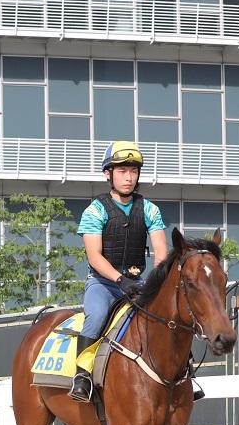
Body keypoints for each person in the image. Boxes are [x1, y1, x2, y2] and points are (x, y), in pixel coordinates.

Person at [70, 140, 168, 402]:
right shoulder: (95, 210)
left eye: (133, 171)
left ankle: (183, 374)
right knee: (97, 315)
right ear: (108, 174)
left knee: (168, 315)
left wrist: (157, 281)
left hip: (139, 283)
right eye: (122, 171)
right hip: (103, 284)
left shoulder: (149, 209)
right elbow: (94, 255)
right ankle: (82, 375)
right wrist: (120, 279)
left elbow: (161, 251)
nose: (129, 177)